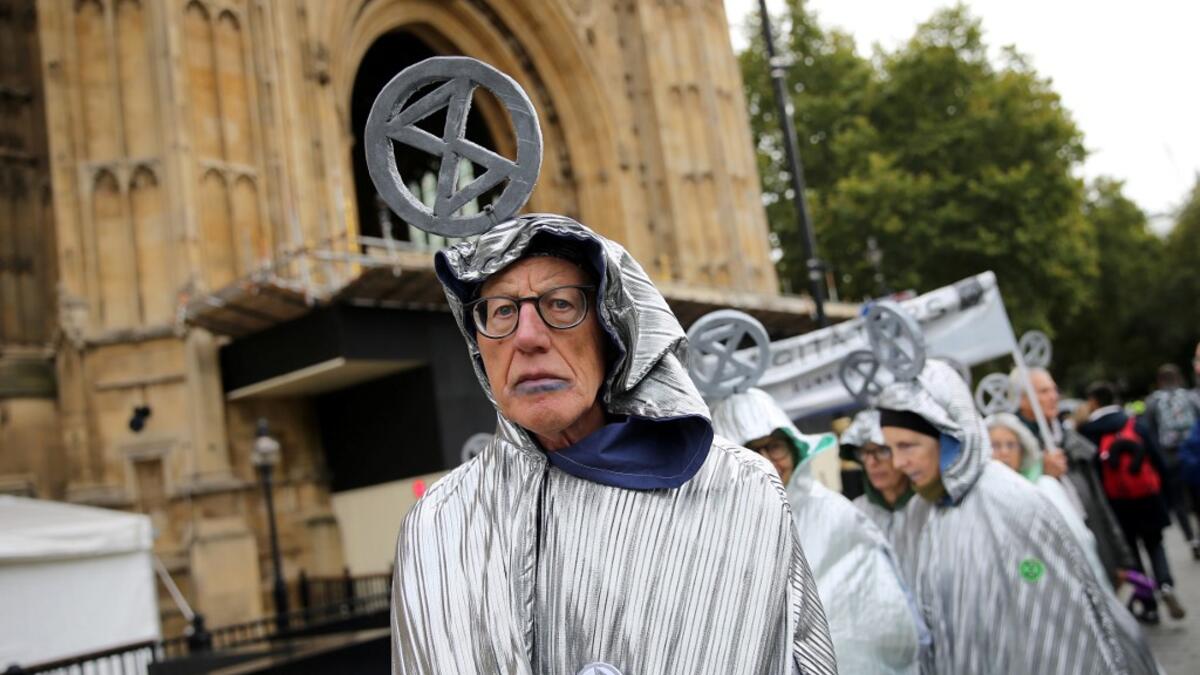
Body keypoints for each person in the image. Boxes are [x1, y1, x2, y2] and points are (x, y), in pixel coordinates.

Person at [390, 215, 836, 674]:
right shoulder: (439, 523)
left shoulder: (741, 489)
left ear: (613, 328)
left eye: (560, 304)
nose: (526, 336)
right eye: (501, 310)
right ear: (478, 343)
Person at [879, 360, 1158, 674]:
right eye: (890, 448)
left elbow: (1061, 632)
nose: (898, 462)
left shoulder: (1012, 503)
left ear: (949, 437)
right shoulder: (923, 512)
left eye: (907, 445)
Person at [713, 390, 924, 674]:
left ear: (794, 447)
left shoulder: (835, 513)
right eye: (751, 450)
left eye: (775, 446)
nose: (767, 461)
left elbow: (878, 617)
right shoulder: (720, 532)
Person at [1013, 366, 1136, 586]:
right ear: (1021, 400)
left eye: (1054, 390)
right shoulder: (1011, 449)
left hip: (1094, 546)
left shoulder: (1069, 440)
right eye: (1043, 391)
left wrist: (1120, 558)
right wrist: (1039, 472)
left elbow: (1098, 505)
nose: (1053, 396)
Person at [1078, 381, 1185, 624]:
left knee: (1132, 554)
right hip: (1147, 497)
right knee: (1155, 544)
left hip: (1116, 503)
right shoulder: (1133, 422)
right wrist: (1167, 498)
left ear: (1094, 401)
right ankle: (1165, 584)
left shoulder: (1088, 431)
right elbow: (1156, 459)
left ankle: (1148, 604)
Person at [838, 410, 924, 580]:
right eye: (863, 453)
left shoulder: (927, 508)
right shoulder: (855, 514)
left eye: (882, 451)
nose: (871, 462)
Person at [1144, 363, 1200, 556]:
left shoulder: (1153, 402)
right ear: (1178, 378)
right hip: (1194, 456)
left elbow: (1149, 433)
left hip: (1169, 458)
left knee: (1178, 502)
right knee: (1197, 497)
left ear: (1159, 381)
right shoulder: (1191, 397)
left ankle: (1191, 539)